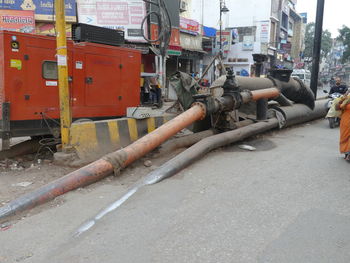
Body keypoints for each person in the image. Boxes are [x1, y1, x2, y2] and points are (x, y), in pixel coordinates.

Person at [336, 91, 350, 161]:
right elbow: (337, 108)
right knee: (345, 138)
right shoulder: (346, 98)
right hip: (345, 122)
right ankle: (347, 153)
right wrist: (342, 99)